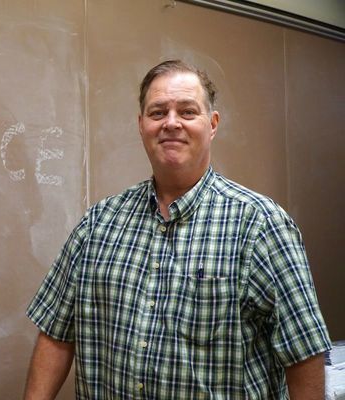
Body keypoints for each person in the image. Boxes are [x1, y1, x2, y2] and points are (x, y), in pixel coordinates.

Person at [23, 60, 331, 399]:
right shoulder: (97, 224)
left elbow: (303, 355)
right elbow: (55, 334)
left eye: (187, 112)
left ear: (212, 124)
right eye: (158, 113)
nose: (171, 123)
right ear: (141, 125)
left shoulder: (261, 225)